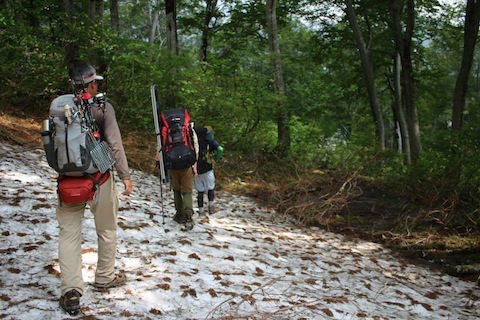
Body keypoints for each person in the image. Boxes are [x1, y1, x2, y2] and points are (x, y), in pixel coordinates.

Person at [56, 61, 133, 315]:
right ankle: (104, 276)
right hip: (99, 178)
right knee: (107, 229)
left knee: (69, 235)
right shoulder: (102, 107)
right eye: (95, 81)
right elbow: (114, 143)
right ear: (90, 83)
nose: (97, 84)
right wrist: (125, 176)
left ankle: (70, 290)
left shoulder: (58, 107)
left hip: (68, 181)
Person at [170, 120, 199, 229]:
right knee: (187, 190)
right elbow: (195, 147)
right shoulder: (189, 130)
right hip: (187, 164)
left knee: (176, 190)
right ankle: (188, 215)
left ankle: (179, 214)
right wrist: (194, 166)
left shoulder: (166, 129)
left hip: (172, 164)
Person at [194, 126, 224, 216]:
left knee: (200, 191)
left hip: (196, 170)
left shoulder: (194, 141)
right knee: (210, 188)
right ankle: (211, 207)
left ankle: (201, 210)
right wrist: (215, 158)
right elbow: (220, 149)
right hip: (208, 169)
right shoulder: (210, 142)